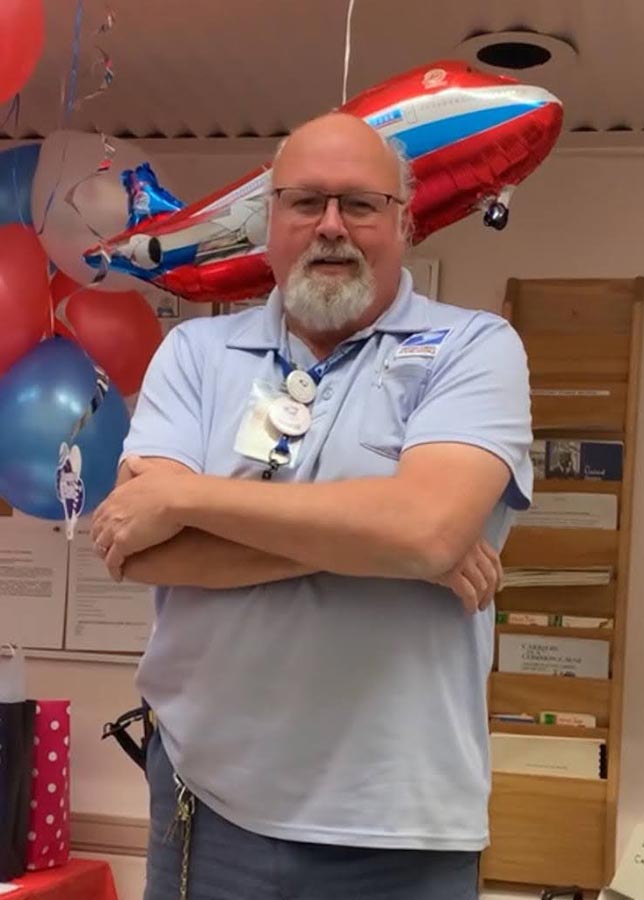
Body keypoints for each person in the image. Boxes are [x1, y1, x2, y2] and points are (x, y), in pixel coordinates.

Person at [91, 112, 533, 900]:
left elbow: (427, 532)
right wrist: (390, 541)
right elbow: (144, 548)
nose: (331, 226)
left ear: (403, 220)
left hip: (400, 826)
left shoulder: (476, 347)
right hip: (208, 805)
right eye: (305, 203)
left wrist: (189, 496)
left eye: (359, 204)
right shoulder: (194, 355)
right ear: (269, 222)